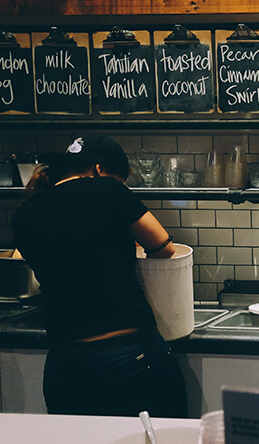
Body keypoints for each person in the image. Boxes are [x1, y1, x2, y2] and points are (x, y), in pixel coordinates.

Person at [11, 135, 187, 418]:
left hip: (65, 364)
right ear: (98, 170)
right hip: (129, 355)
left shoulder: (23, 215)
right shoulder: (107, 190)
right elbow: (163, 246)